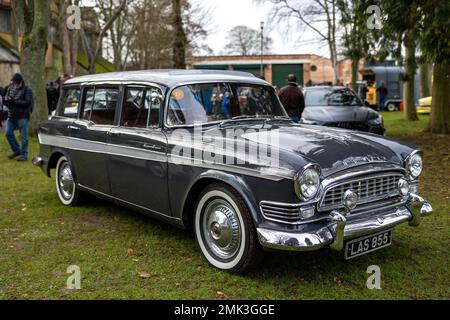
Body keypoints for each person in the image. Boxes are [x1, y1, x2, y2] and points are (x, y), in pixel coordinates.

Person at [3, 73, 34, 161]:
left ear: (20, 82)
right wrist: (6, 101)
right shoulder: (10, 88)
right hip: (11, 115)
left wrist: (14, 101)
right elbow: (7, 99)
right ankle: (17, 150)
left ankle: (24, 155)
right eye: (13, 82)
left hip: (23, 116)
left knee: (23, 137)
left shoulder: (27, 89)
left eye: (16, 82)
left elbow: (27, 102)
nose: (14, 84)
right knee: (8, 134)